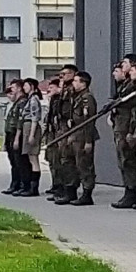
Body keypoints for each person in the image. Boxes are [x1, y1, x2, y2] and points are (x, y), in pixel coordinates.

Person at [57, 71, 98, 206]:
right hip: (73, 134)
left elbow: (89, 121)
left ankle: (87, 194)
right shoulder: (76, 97)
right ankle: (70, 191)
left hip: (82, 135)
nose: (73, 84)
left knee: (84, 165)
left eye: (76, 81)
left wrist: (88, 141)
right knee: (69, 163)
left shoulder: (87, 98)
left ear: (83, 83)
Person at [111, 54, 136, 209]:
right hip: (120, 127)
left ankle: (132, 193)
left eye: (124, 63)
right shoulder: (125, 84)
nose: (121, 66)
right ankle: (128, 191)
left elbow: (134, 110)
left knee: (129, 160)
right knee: (123, 161)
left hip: (127, 128)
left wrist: (132, 131)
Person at [52, 64, 80, 203]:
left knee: (68, 159)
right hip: (61, 126)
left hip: (70, 127)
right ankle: (63, 188)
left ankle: (70, 189)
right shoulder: (64, 89)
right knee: (61, 159)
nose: (62, 76)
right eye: (61, 74)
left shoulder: (73, 89)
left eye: (65, 73)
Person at [13, 78, 44, 196]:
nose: (24, 88)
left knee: (33, 158)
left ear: (31, 86)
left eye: (26, 86)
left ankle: (34, 188)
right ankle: (30, 186)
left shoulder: (34, 99)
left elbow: (35, 117)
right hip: (26, 126)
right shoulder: (29, 99)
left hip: (31, 127)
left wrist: (32, 135)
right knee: (30, 158)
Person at [0, 80, 26, 195]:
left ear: (19, 88)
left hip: (16, 134)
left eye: (13, 88)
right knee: (13, 161)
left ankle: (20, 184)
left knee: (19, 161)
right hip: (10, 133)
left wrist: (16, 137)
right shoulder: (15, 103)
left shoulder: (22, 102)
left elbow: (19, 122)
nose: (11, 90)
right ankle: (15, 183)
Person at [43, 77, 64, 199]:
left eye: (51, 88)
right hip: (51, 133)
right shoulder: (53, 100)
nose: (48, 90)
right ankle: (55, 184)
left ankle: (60, 185)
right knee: (51, 159)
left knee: (58, 161)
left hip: (58, 133)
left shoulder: (59, 100)